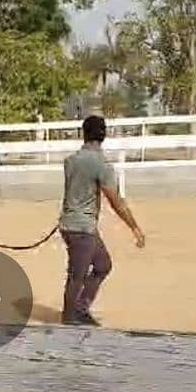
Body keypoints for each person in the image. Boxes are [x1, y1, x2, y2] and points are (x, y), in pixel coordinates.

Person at [59, 114, 145, 326]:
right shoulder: (101, 165)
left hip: (72, 223)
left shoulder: (71, 161)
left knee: (102, 264)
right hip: (82, 227)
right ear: (103, 135)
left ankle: (79, 309)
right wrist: (134, 227)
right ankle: (70, 318)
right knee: (77, 275)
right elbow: (115, 200)